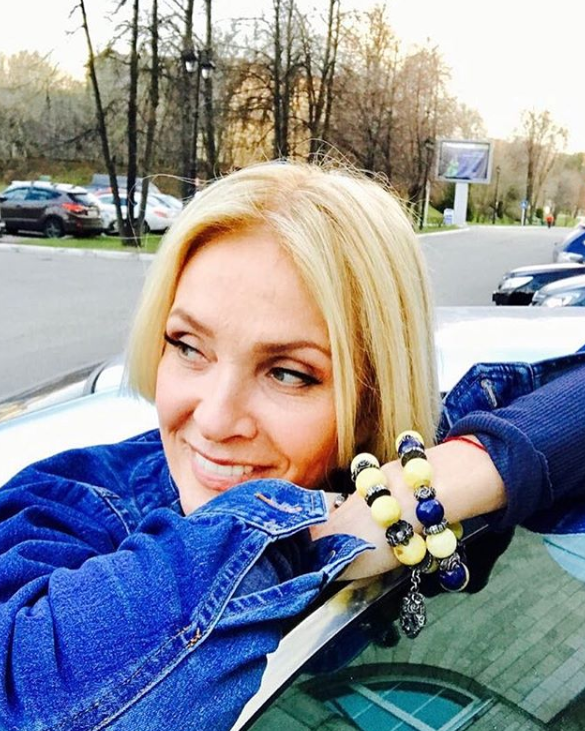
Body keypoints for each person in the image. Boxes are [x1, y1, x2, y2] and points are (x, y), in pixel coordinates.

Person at [0, 160, 584, 731]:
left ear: (372, 398)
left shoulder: (395, 464)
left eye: (287, 373)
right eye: (188, 346)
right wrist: (307, 537)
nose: (214, 419)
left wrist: (450, 476)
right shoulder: (69, 504)